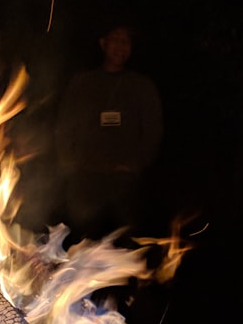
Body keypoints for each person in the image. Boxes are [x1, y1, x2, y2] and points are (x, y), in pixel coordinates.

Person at [53, 21, 163, 245]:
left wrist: (135, 164)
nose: (121, 47)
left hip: (124, 180)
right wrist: (70, 164)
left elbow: (153, 130)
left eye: (126, 42)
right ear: (103, 43)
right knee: (81, 243)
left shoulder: (141, 86)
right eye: (116, 40)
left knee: (127, 243)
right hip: (85, 178)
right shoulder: (83, 83)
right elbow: (65, 125)